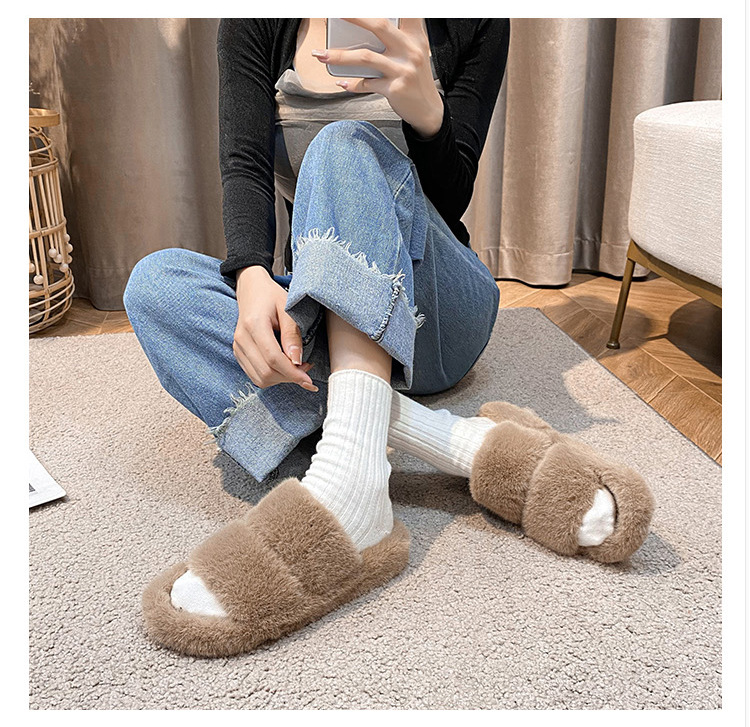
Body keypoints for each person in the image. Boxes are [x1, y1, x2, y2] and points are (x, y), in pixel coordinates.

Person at [124, 18, 654, 658]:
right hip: (327, 295)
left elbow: (449, 200)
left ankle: (351, 488)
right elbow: (244, 165)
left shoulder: (477, 21)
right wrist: (252, 273)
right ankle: (446, 440)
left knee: (344, 143)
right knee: (155, 286)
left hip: (437, 308)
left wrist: (427, 113)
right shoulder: (256, 19)